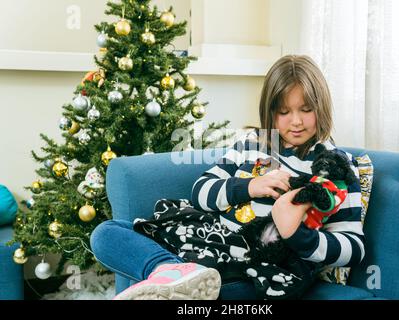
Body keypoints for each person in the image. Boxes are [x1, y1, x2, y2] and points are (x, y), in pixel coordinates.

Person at [90, 54, 365, 300]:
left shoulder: (334, 167)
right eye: (284, 112)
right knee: (106, 232)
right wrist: (249, 186)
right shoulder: (252, 144)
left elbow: (353, 247)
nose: (296, 121)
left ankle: (180, 285)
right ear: (270, 112)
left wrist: (297, 234)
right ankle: (169, 272)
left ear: (322, 106)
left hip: (262, 268)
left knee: (226, 289)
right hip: (209, 242)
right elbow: (201, 191)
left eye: (306, 110)